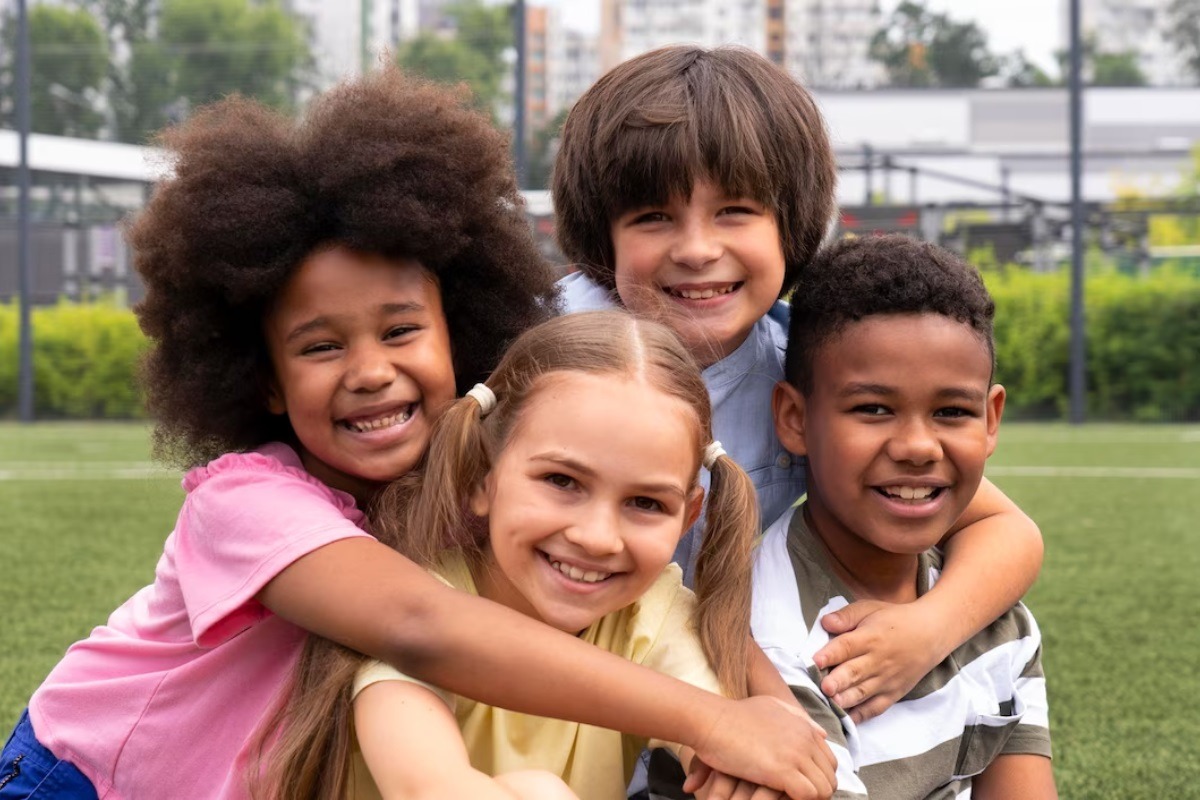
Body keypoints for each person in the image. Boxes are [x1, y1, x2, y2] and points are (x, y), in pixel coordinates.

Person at [0, 69, 829, 800]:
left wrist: (757, 708)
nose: (367, 371)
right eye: (322, 346)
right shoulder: (246, 501)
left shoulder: (481, 462)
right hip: (89, 778)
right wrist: (709, 722)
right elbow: (420, 628)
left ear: (462, 331)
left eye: (400, 332)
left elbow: (677, 610)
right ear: (261, 379)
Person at [551, 44, 1046, 725]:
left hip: (712, 687)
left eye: (735, 211)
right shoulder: (536, 353)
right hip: (543, 682)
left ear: (792, 222)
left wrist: (925, 631)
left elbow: (1005, 529)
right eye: (653, 216)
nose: (696, 248)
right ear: (602, 235)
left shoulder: (801, 372)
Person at [265, 310, 834, 800]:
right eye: (562, 481)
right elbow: (431, 786)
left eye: (644, 502)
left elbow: (733, 749)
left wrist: (750, 769)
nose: (596, 537)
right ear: (481, 477)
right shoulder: (418, 606)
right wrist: (722, 731)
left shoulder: (653, 616)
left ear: (687, 517)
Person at [752, 234, 1056, 799]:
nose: (918, 446)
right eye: (873, 409)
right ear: (795, 418)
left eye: (950, 411)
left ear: (991, 420)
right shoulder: (775, 642)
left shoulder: (995, 618)